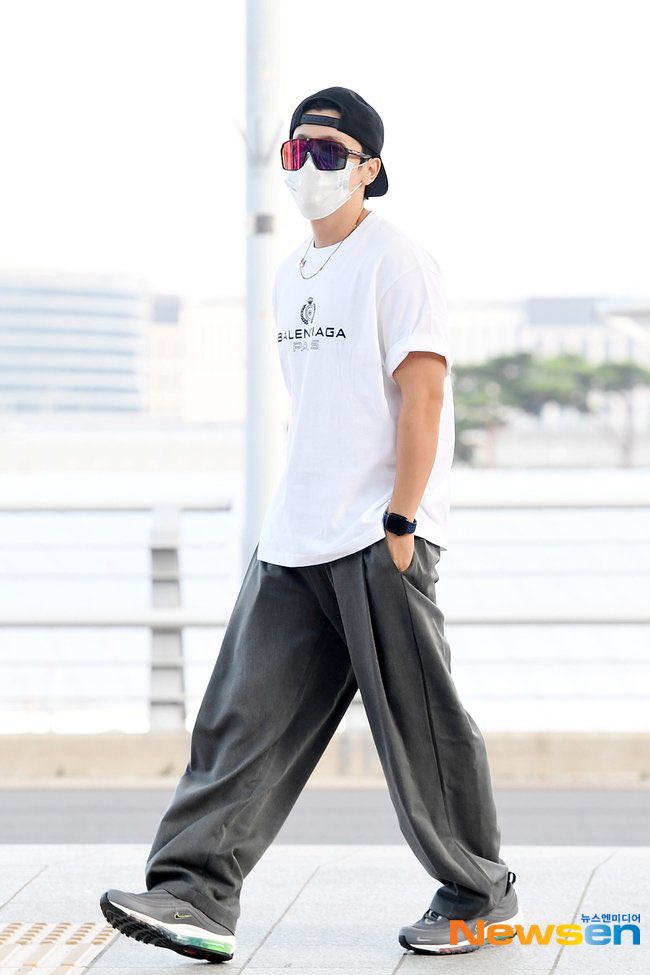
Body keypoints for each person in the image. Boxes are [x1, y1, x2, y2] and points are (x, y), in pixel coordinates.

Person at [99, 85, 522, 962]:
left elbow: (424, 393)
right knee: (239, 719)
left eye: (329, 153)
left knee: (419, 729)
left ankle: (479, 891)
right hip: (296, 533)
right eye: (296, 153)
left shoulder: (397, 259)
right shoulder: (292, 270)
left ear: (369, 168)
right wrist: (289, 518)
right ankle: (194, 893)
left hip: (379, 534)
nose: (309, 168)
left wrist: (402, 518)